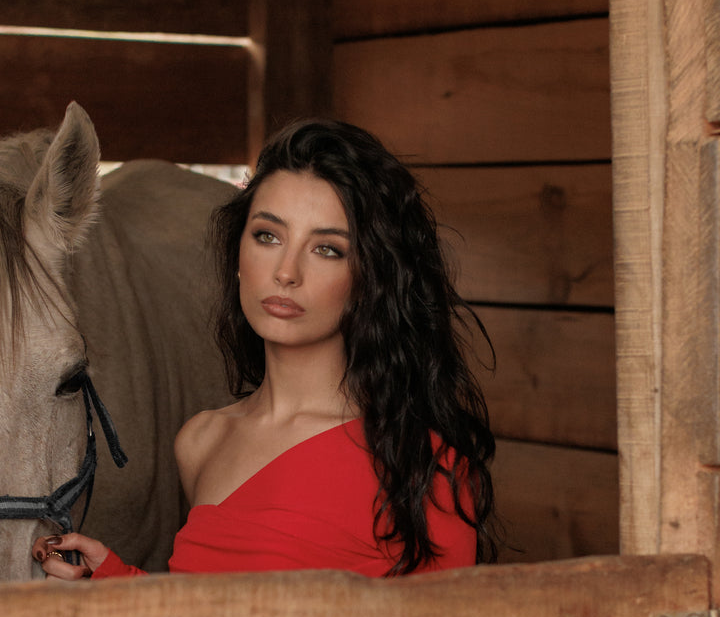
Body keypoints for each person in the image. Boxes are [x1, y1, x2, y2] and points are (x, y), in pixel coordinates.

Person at [34, 118, 497, 582]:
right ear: (238, 257)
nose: (286, 272)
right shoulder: (202, 441)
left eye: (328, 249)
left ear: (370, 280)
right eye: (268, 236)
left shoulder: (423, 465)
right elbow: (212, 616)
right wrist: (114, 583)